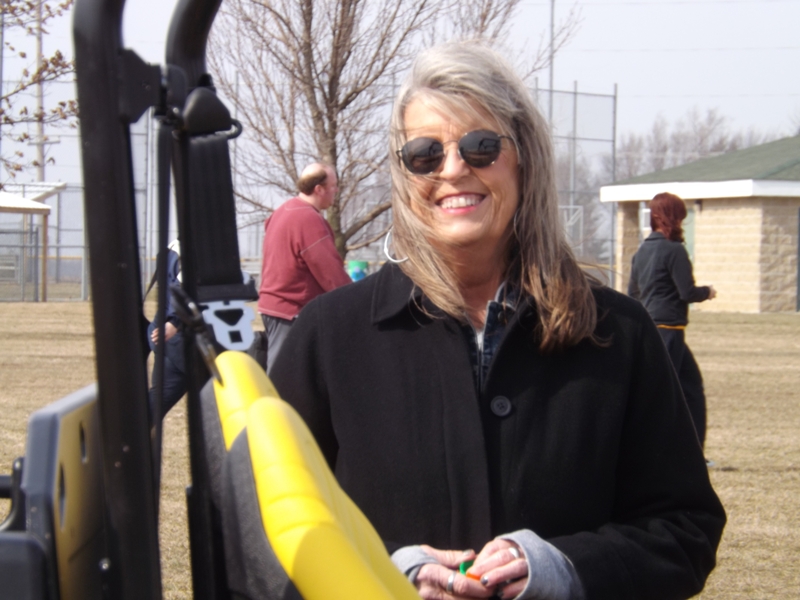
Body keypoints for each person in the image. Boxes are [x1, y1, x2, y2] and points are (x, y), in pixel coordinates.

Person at [270, 42, 725, 600]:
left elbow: (684, 529)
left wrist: (567, 569)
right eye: (424, 153)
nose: (453, 168)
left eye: (481, 146)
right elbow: (264, 529)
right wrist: (389, 574)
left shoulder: (619, 332)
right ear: (404, 173)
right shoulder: (329, 335)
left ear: (524, 156)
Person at [628, 192, 717, 451]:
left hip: (653, 328)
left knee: (690, 387)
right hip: (670, 330)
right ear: (671, 218)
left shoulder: (642, 252)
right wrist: (708, 292)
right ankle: (654, 453)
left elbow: (633, 295)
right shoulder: (674, 250)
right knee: (663, 395)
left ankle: (693, 452)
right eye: (680, 217)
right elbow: (686, 292)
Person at [257, 162, 352, 372]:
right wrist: (353, 300)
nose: (336, 190)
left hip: (274, 305)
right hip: (292, 309)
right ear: (319, 189)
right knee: (285, 375)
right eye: (333, 186)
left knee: (286, 371)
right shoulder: (308, 219)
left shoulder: (282, 211)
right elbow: (329, 271)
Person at [147, 240, 186, 418]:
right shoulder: (201, 247)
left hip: (169, 336)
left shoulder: (173, 246)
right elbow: (182, 287)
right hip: (180, 342)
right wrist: (174, 322)